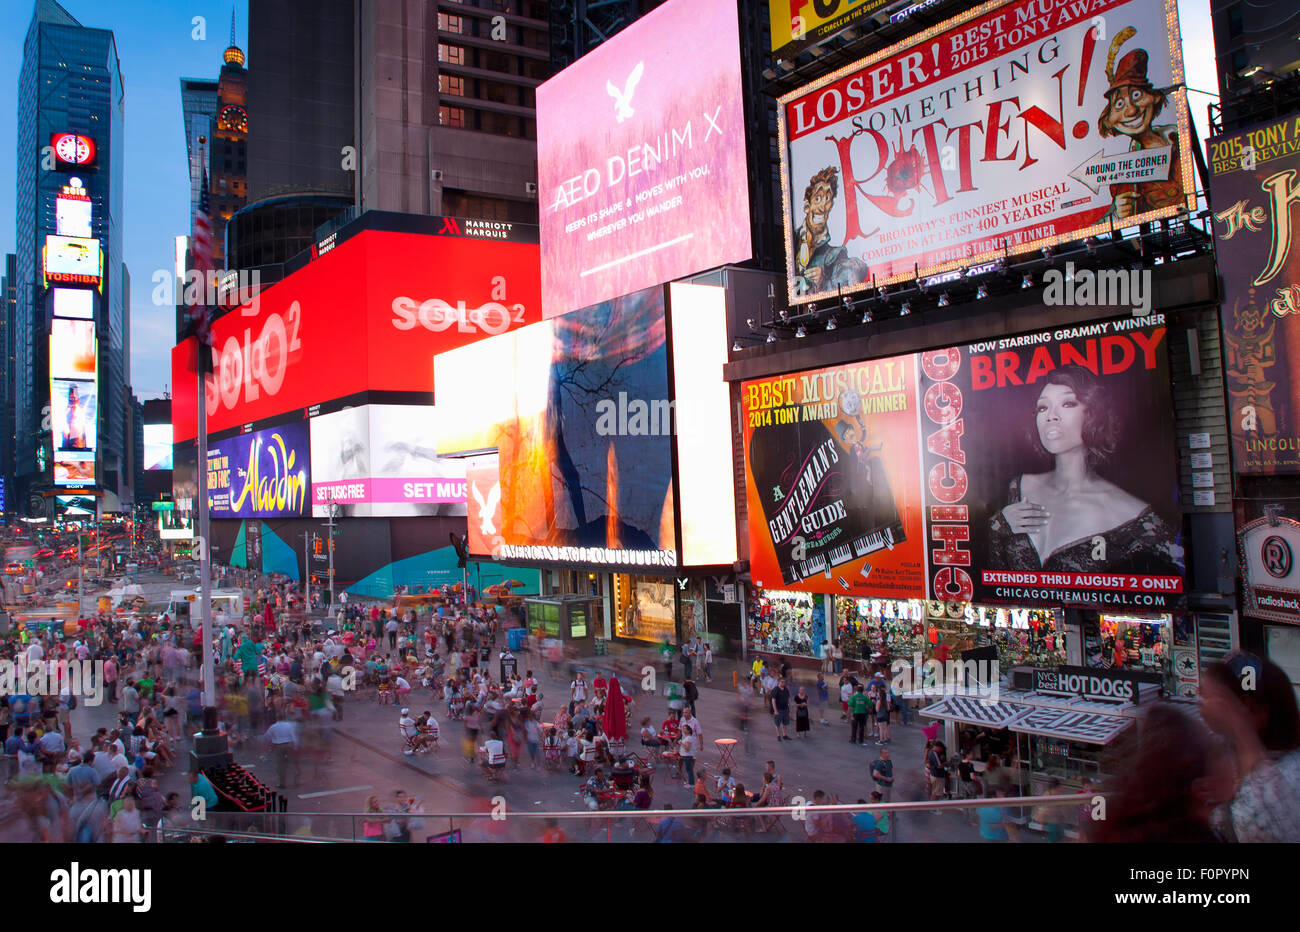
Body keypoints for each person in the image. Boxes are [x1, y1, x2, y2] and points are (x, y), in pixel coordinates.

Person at [987, 366, 1183, 576]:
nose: (1051, 416)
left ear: (1094, 414)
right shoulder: (1016, 487)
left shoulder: (1137, 519)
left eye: (1068, 404)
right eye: (1043, 408)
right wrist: (998, 525)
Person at [1199, 652, 1300, 842]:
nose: (1201, 702)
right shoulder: (1223, 751)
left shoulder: (1291, 773)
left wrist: (1241, 729)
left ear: (1255, 711)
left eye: (1209, 696)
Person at [770, 676, 792, 741]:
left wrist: (790, 707)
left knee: (785, 722)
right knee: (777, 723)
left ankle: (784, 735)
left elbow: (788, 698)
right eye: (782, 682)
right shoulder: (775, 690)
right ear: (779, 682)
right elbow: (773, 700)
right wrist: (775, 710)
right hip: (778, 709)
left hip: (785, 708)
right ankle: (778, 735)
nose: (783, 683)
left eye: (784, 682)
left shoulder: (786, 689)